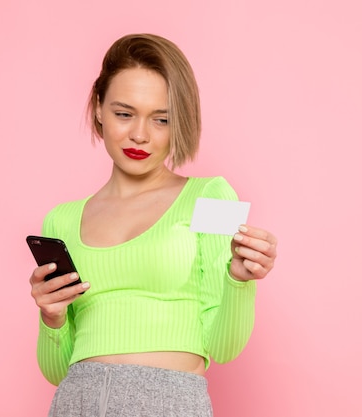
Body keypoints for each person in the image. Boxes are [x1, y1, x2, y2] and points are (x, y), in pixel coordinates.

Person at [29, 33, 277, 416]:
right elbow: (56, 370)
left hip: (170, 402)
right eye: (124, 114)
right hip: (76, 402)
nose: (140, 135)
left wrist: (239, 282)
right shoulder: (61, 219)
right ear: (98, 108)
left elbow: (223, 348)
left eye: (161, 119)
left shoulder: (211, 196)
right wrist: (51, 317)